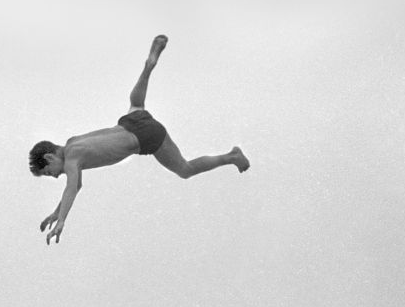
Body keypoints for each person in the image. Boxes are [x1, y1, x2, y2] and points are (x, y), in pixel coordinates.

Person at [29, 34, 251, 245]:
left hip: (145, 137)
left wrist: (63, 221)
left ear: (50, 156)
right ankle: (149, 66)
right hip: (131, 120)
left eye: (49, 172)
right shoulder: (73, 142)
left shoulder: (71, 159)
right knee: (136, 105)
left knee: (185, 169)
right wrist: (58, 211)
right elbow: (75, 186)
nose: (55, 176)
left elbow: (70, 187)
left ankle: (231, 157)